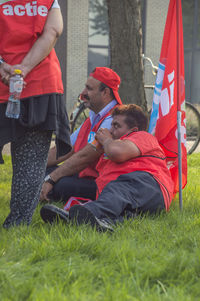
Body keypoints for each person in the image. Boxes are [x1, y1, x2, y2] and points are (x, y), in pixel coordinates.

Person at [40, 104, 174, 231]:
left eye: (116, 126)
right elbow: (83, 160)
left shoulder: (142, 137)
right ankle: (104, 223)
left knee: (118, 188)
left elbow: (117, 153)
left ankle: (86, 213)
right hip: (134, 199)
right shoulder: (110, 147)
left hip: (148, 185)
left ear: (133, 130)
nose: (111, 131)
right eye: (111, 125)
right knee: (120, 206)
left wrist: (106, 140)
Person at [0, 0, 71, 228]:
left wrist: (4, 66)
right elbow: (53, 31)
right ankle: (18, 223)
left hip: (7, 80)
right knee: (30, 161)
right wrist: (23, 70)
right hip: (40, 85)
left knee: (30, 160)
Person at [40, 66, 122, 203]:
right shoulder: (94, 117)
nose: (83, 93)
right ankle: (43, 188)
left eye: (89, 88)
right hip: (85, 177)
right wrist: (36, 166)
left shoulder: (114, 120)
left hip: (102, 183)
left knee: (62, 185)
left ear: (105, 92)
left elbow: (84, 157)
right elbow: (66, 148)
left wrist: (51, 179)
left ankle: (44, 190)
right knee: (39, 172)